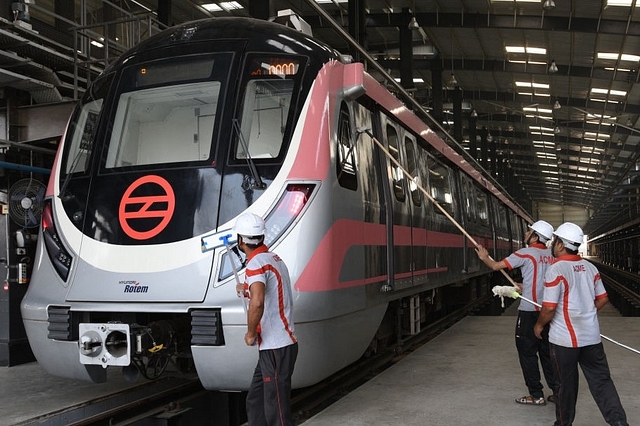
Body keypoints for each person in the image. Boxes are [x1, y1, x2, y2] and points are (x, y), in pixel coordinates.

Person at [534, 222, 628, 426]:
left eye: (555, 240)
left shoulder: (556, 269)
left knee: (565, 386)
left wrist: (539, 326)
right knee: (602, 383)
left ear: (560, 245)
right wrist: (586, 312)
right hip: (592, 338)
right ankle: (619, 423)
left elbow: (549, 308)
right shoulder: (590, 267)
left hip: (565, 342)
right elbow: (602, 299)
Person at [476, 220, 557, 406]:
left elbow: (496, 266)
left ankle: (536, 395)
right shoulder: (551, 255)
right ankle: (557, 392)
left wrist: (484, 256)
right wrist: (525, 286)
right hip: (548, 312)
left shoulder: (525, 253)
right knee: (547, 353)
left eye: (529, 232)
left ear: (535, 236)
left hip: (529, 311)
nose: (526, 234)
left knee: (527, 353)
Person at [233, 212, 298, 426]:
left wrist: (251, 333)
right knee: (257, 399)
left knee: (276, 409)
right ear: (261, 237)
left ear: (241, 240)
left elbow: (259, 303)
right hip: (274, 347)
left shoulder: (255, 265)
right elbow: (271, 293)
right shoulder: (273, 259)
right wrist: (248, 289)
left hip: (275, 348)